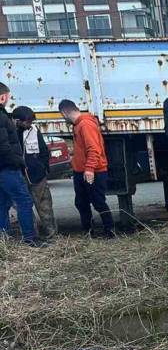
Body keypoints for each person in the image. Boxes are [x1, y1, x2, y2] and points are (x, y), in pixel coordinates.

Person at [59, 99, 115, 237]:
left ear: (65, 112)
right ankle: (90, 231)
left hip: (92, 171)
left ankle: (109, 231)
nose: (63, 118)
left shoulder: (85, 124)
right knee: (82, 202)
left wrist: (89, 169)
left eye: (62, 115)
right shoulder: (80, 124)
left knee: (98, 202)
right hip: (84, 170)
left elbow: (93, 149)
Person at [0, 82, 36, 245]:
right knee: (24, 201)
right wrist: (18, 161)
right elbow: (3, 146)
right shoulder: (1, 117)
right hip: (7, 167)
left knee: (2, 204)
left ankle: (4, 239)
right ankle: (30, 238)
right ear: (3, 97)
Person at [12, 106, 56, 240]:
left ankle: (51, 233)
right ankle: (32, 235)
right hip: (18, 175)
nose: (30, 124)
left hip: (37, 175)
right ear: (17, 121)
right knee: (24, 207)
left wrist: (44, 169)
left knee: (45, 205)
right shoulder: (8, 132)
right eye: (27, 122)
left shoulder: (34, 131)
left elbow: (43, 151)